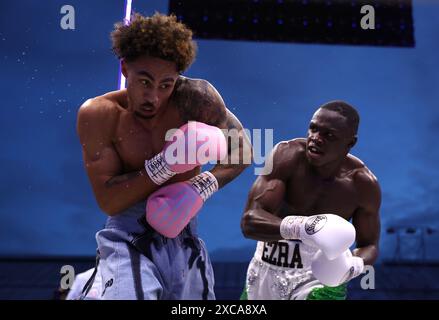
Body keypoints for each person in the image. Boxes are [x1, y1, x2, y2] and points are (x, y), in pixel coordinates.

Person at [76, 13, 251, 300]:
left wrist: (202, 185)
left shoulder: (196, 99)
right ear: (124, 69)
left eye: (165, 85)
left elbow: (242, 148)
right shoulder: (99, 115)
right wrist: (165, 165)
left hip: (185, 237)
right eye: (145, 82)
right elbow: (108, 200)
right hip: (127, 237)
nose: (154, 97)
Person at [240, 100, 381, 300]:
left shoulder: (363, 185)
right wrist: (304, 227)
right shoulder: (286, 156)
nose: (315, 138)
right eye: (313, 129)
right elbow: (249, 222)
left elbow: (370, 245)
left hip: (320, 282)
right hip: (264, 271)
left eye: (328, 135)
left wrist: (354, 265)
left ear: (350, 143)